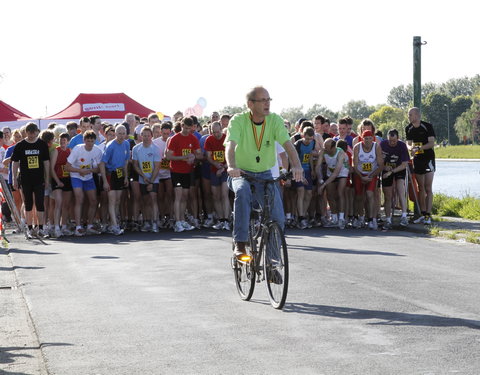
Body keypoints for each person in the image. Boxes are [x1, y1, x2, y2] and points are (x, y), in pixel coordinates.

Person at [225, 86, 303, 260]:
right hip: (241, 173)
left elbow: (288, 145)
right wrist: (231, 166)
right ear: (250, 104)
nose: (267, 103)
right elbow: (230, 146)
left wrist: (297, 166)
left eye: (269, 99)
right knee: (243, 191)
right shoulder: (238, 120)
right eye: (263, 100)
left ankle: (273, 262)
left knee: (277, 217)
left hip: (265, 174)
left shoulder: (274, 120)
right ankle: (240, 243)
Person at [11, 122, 51, 239]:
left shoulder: (42, 144)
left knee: (40, 204)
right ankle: (29, 229)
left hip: (39, 179)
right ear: (26, 133)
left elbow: (46, 162)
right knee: (28, 204)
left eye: (34, 133)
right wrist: (14, 178)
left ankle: (41, 228)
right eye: (29, 133)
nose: (32, 135)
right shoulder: (20, 145)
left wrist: (47, 178)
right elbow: (15, 162)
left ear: (37, 132)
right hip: (25, 179)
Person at [166, 116, 202, 232]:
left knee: (185, 196)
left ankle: (181, 220)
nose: (187, 130)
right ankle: (177, 222)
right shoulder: (175, 138)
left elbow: (199, 154)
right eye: (185, 128)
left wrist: (194, 156)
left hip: (187, 171)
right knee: (178, 195)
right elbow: (168, 156)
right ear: (181, 126)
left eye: (189, 128)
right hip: (176, 171)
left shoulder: (193, 138)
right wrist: (184, 157)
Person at [66, 130, 102, 236]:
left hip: (88, 176)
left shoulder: (97, 151)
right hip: (76, 176)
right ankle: (78, 227)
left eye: (92, 141)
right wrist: (79, 171)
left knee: (94, 200)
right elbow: (67, 167)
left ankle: (90, 225)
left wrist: (90, 171)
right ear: (84, 140)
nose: (90, 143)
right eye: (88, 141)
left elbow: (99, 169)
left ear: (95, 141)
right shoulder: (78, 149)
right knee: (79, 198)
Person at [406, 107, 436, 225]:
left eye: (410, 115)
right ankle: (423, 214)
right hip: (417, 159)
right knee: (420, 188)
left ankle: (428, 215)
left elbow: (431, 143)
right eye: (408, 115)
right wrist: (411, 148)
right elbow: (408, 144)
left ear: (417, 115)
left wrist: (420, 148)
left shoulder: (427, 126)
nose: (409, 117)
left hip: (428, 159)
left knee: (428, 188)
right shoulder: (408, 128)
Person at [99, 124, 130, 235]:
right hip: (111, 173)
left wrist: (126, 176)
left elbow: (126, 161)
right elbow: (102, 163)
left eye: (123, 133)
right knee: (112, 200)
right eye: (119, 133)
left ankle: (113, 224)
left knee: (117, 200)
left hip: (120, 173)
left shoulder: (126, 144)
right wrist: (105, 181)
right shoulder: (111, 145)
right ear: (116, 134)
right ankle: (115, 225)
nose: (121, 136)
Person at [352, 130, 384, 230]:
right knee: (358, 196)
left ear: (373, 138)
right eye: (366, 138)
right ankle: (360, 217)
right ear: (362, 138)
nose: (368, 141)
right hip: (359, 173)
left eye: (370, 138)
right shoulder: (357, 147)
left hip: (372, 174)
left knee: (370, 194)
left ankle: (371, 219)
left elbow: (381, 165)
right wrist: (361, 176)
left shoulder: (376, 147)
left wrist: (371, 175)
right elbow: (354, 165)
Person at [132, 126, 161, 232]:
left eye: (148, 136)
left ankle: (155, 223)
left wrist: (151, 181)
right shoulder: (136, 148)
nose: (146, 137)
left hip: (154, 178)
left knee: (153, 199)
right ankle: (147, 221)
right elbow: (135, 165)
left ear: (151, 136)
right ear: (141, 136)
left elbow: (157, 166)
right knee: (145, 201)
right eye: (144, 135)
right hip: (142, 179)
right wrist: (143, 177)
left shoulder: (156, 149)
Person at [317, 138, 350, 229]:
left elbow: (336, 173)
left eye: (326, 147)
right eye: (324, 146)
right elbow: (318, 166)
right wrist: (320, 180)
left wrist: (323, 185)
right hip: (330, 172)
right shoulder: (323, 151)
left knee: (340, 192)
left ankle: (341, 218)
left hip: (342, 171)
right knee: (330, 195)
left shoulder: (340, 153)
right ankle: (334, 217)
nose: (324, 148)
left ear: (333, 148)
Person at [380, 129, 409, 229]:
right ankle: (388, 219)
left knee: (400, 189)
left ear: (398, 139)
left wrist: (391, 172)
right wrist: (384, 167)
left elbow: (404, 164)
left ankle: (404, 216)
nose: (392, 143)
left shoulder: (402, 145)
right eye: (390, 141)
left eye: (394, 141)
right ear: (387, 139)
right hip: (386, 168)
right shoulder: (382, 145)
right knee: (388, 196)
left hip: (398, 168)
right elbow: (378, 161)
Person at [205, 121, 230, 230]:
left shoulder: (227, 138)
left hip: (226, 170)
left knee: (224, 194)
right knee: (216, 196)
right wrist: (215, 164)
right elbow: (209, 156)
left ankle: (227, 219)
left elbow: (232, 155)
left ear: (221, 129)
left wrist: (223, 167)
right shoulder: (209, 140)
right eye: (214, 132)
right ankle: (221, 219)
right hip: (214, 170)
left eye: (218, 131)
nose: (217, 134)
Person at [293, 127, 316, 229]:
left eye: (310, 139)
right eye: (306, 139)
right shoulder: (298, 144)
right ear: (303, 136)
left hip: (307, 169)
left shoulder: (313, 143)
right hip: (298, 170)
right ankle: (301, 217)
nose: (308, 141)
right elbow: (294, 160)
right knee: (301, 190)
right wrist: (301, 175)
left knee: (309, 193)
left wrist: (312, 169)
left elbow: (310, 155)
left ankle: (302, 215)